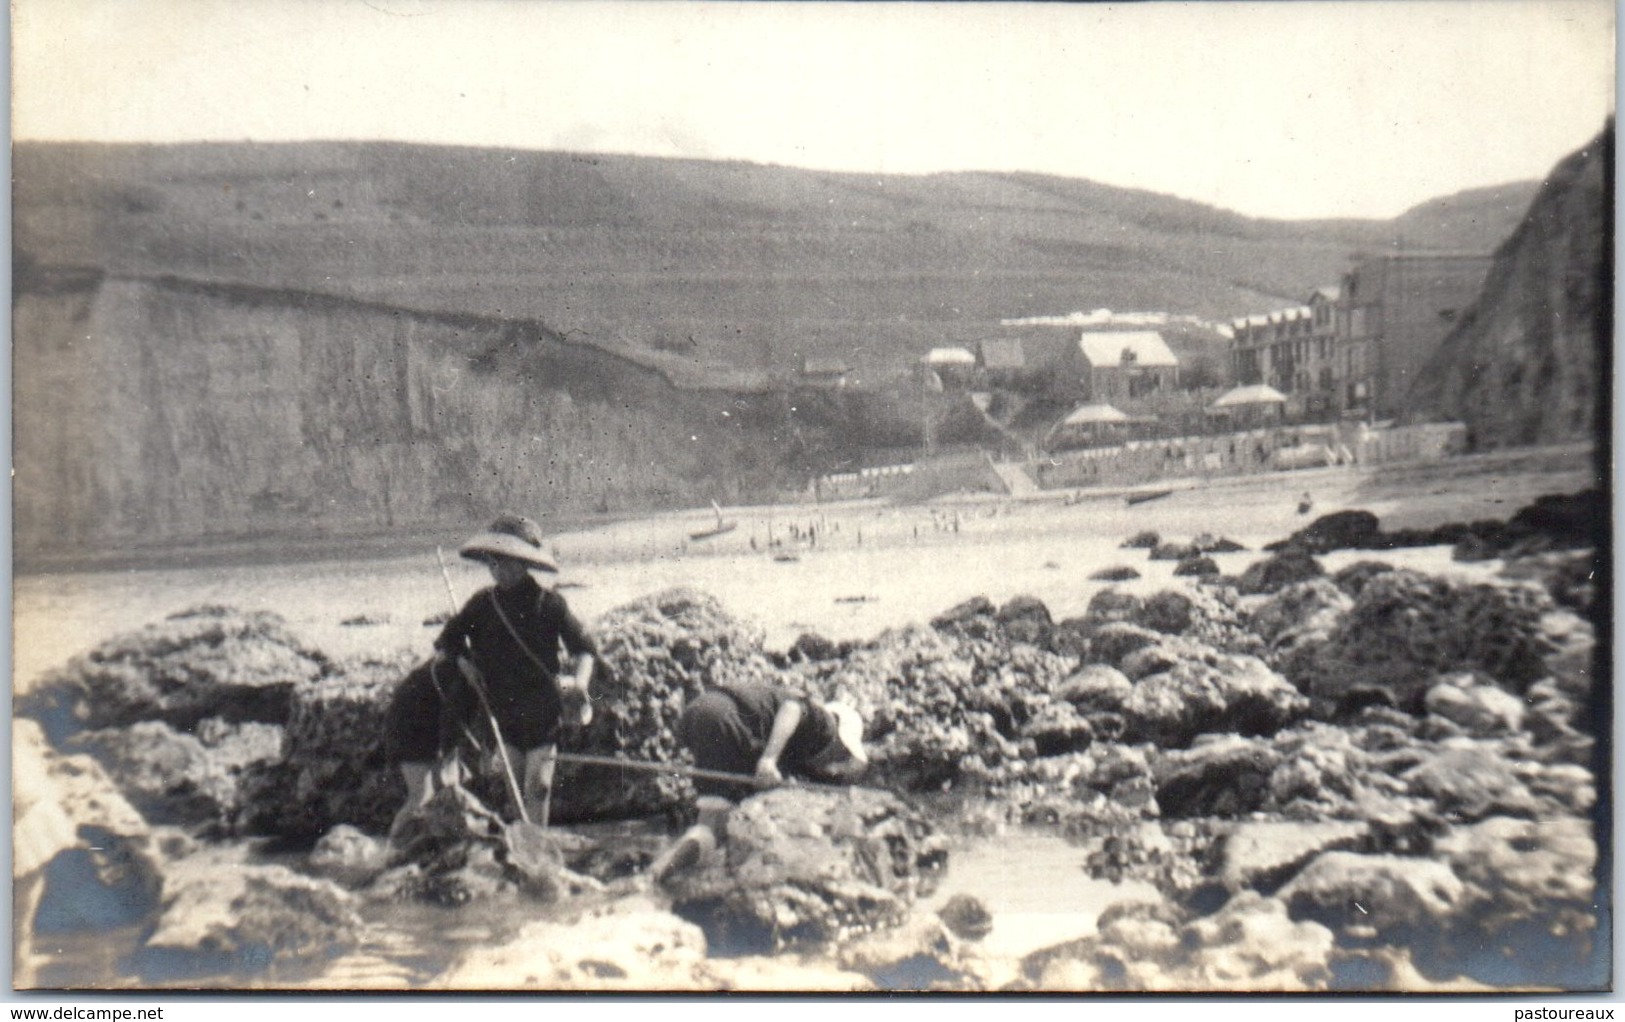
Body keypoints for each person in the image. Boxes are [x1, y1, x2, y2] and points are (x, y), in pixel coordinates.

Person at [391, 513, 598, 830]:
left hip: (543, 707)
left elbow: (584, 649)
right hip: (503, 708)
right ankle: (523, 845)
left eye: (501, 562)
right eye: (491, 562)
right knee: (515, 789)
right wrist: (466, 664)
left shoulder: (550, 604)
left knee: (538, 785)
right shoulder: (482, 604)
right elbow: (448, 642)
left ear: (521, 562)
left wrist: (579, 684)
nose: (495, 569)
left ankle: (536, 844)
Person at [649, 683, 868, 882]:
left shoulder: (797, 746)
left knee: (711, 823)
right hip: (726, 720)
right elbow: (792, 708)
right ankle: (656, 876)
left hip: (698, 713)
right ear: (840, 737)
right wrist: (769, 758)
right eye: (843, 751)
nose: (835, 758)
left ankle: (660, 871)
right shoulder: (826, 724)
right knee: (713, 827)